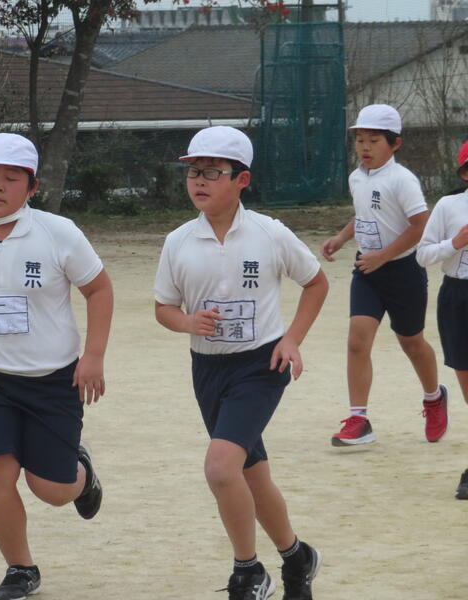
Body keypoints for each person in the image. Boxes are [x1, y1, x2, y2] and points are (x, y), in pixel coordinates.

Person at [0, 133, 113, 600]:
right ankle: (20, 568)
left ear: (31, 188)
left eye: (11, 179)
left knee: (52, 489)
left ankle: (82, 474)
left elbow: (99, 289)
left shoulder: (58, 232)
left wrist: (93, 356)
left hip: (53, 381)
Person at [154, 126, 328, 600]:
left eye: (213, 171)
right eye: (193, 171)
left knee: (220, 467)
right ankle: (297, 557)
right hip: (207, 369)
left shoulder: (270, 233)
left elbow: (316, 283)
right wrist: (187, 322)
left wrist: (292, 339)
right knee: (252, 474)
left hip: (260, 366)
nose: (199, 180)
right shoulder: (177, 241)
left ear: (241, 179)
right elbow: (163, 308)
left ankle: (248, 571)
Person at [321, 104, 448, 446]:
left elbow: (420, 226)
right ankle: (359, 419)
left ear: (395, 144)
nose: (364, 147)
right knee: (357, 341)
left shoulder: (402, 180)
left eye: (373, 140)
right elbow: (363, 215)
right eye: (360, 140)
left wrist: (384, 256)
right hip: (367, 269)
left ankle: (434, 398)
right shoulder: (356, 176)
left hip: (404, 271)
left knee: (412, 343)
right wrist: (341, 237)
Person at [416, 139, 468, 499]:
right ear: (464, 172)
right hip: (457, 297)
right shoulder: (449, 206)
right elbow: (422, 255)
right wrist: (455, 243)